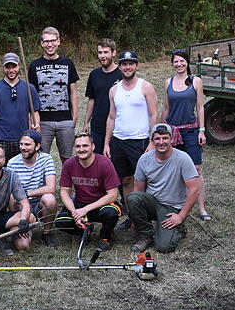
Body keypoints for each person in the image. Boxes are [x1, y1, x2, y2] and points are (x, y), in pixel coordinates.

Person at [127, 123, 202, 253]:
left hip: (172, 207)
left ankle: (179, 229)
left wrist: (181, 216)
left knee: (164, 247)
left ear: (171, 139)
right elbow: (138, 189)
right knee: (133, 198)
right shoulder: (144, 159)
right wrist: (134, 219)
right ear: (152, 141)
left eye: (165, 138)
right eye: (157, 138)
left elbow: (194, 190)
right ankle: (146, 236)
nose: (161, 142)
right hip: (152, 202)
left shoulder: (183, 158)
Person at [104, 50, 158, 219]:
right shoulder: (114, 90)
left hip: (140, 141)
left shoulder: (146, 87)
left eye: (131, 64)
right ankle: (130, 215)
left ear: (136, 66)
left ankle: (144, 215)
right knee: (125, 179)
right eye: (124, 64)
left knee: (142, 180)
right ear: (119, 67)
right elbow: (111, 117)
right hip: (119, 141)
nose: (127, 67)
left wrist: (152, 141)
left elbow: (154, 115)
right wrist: (107, 143)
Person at [163, 49, 210, 221]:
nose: (179, 64)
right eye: (176, 61)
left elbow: (199, 107)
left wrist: (202, 130)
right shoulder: (168, 82)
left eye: (182, 61)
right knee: (173, 169)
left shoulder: (196, 81)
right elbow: (166, 107)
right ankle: (177, 203)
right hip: (173, 131)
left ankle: (201, 207)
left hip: (190, 130)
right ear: (172, 64)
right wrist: (161, 130)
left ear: (187, 63)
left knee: (196, 169)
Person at [55, 133, 122, 251]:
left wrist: (86, 209)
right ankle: (85, 230)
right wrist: (74, 212)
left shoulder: (104, 163)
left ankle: (106, 236)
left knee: (111, 214)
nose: (81, 149)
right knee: (61, 222)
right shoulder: (69, 164)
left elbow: (112, 195)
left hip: (101, 204)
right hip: (80, 203)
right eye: (78, 147)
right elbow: (64, 192)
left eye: (85, 146)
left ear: (93, 147)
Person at [28, 27, 79, 164]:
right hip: (43, 121)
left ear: (58, 42)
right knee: (41, 158)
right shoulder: (35, 65)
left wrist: (75, 115)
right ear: (41, 44)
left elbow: (73, 91)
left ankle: (68, 185)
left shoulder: (68, 63)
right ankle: (44, 185)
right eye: (46, 41)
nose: (49, 44)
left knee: (68, 158)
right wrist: (33, 119)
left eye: (52, 41)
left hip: (65, 119)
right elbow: (31, 94)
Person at [0, 52, 41, 163]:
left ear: (19, 65)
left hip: (24, 140)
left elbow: (35, 112)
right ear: (3, 67)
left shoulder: (29, 89)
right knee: (2, 172)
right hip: (2, 140)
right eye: (7, 67)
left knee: (23, 172)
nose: (11, 70)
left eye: (14, 66)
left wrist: (35, 129)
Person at [6, 130, 57, 248]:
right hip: (21, 206)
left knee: (49, 198)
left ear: (37, 146)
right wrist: (21, 202)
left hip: (38, 202)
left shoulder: (46, 159)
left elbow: (51, 187)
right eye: (21, 144)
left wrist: (26, 194)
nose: (23, 148)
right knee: (22, 246)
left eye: (27, 144)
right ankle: (19, 228)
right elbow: (11, 192)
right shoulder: (12, 163)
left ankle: (46, 233)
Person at [83, 38, 122, 156]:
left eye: (106, 52)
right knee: (98, 162)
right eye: (100, 52)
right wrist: (86, 123)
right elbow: (91, 99)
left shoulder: (122, 74)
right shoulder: (94, 74)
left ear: (113, 53)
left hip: (117, 128)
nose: (102, 56)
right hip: (97, 127)